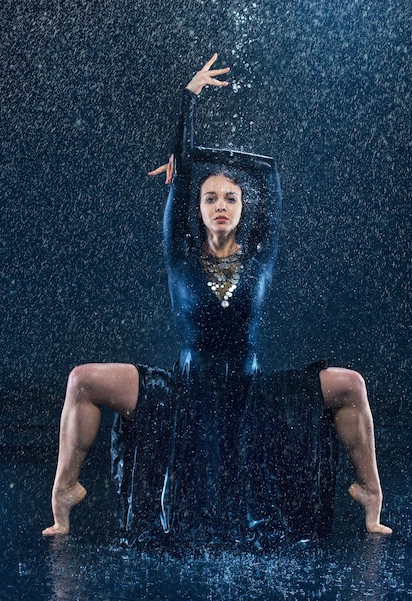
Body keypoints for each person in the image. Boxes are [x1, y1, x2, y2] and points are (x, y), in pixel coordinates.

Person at [43, 54, 392, 541]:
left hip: (250, 392)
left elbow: (269, 173)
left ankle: (369, 494)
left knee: (350, 385)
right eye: (210, 198)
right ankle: (65, 492)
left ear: (244, 207)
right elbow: (183, 173)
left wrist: (212, 161)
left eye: (230, 197)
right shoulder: (181, 255)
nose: (221, 205)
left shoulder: (260, 255)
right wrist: (189, 99)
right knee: (82, 380)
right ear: (199, 209)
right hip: (187, 391)